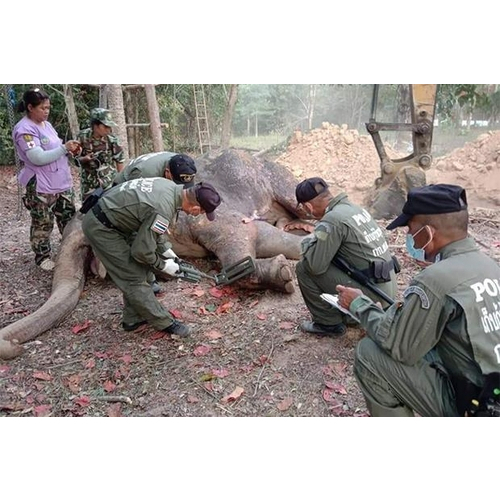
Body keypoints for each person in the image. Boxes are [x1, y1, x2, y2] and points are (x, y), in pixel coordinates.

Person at [337, 184, 500, 417]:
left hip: (478, 407)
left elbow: (400, 347)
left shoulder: (436, 279)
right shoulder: (490, 266)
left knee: (369, 353)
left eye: (411, 229)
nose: (409, 237)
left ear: (429, 233)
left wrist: (359, 305)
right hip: (491, 387)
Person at [81, 177, 222, 337]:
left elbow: (152, 228)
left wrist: (168, 252)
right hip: (102, 227)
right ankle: (165, 322)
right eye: (202, 212)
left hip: (118, 220)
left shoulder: (171, 189)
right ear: (196, 208)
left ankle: (132, 319)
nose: (199, 215)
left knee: (142, 270)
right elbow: (141, 252)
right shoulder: (163, 208)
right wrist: (163, 265)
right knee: (134, 276)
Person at [294, 177, 398, 337]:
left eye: (304, 208)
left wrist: (308, 243)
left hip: (373, 294)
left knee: (303, 268)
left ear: (308, 206)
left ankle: (328, 324)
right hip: (387, 290)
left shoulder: (333, 220)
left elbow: (315, 266)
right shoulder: (354, 209)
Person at [12, 88, 80, 271]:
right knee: (43, 221)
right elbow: (37, 157)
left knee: (68, 217)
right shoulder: (24, 129)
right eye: (43, 108)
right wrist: (64, 148)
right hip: (41, 183)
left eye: (48, 108)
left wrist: (71, 150)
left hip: (60, 181)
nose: (47, 111)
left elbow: (56, 148)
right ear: (30, 107)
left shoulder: (46, 125)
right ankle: (42, 256)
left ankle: (70, 251)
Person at [76, 108, 125, 200]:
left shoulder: (112, 139)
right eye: (105, 126)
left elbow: (120, 161)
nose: (108, 130)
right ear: (96, 125)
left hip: (109, 184)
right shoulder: (82, 137)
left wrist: (120, 184)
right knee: (89, 211)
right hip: (89, 185)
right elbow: (74, 160)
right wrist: (85, 159)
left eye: (109, 127)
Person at [113, 151, 196, 188]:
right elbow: (135, 198)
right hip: (123, 186)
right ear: (167, 172)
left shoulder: (180, 161)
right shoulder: (146, 174)